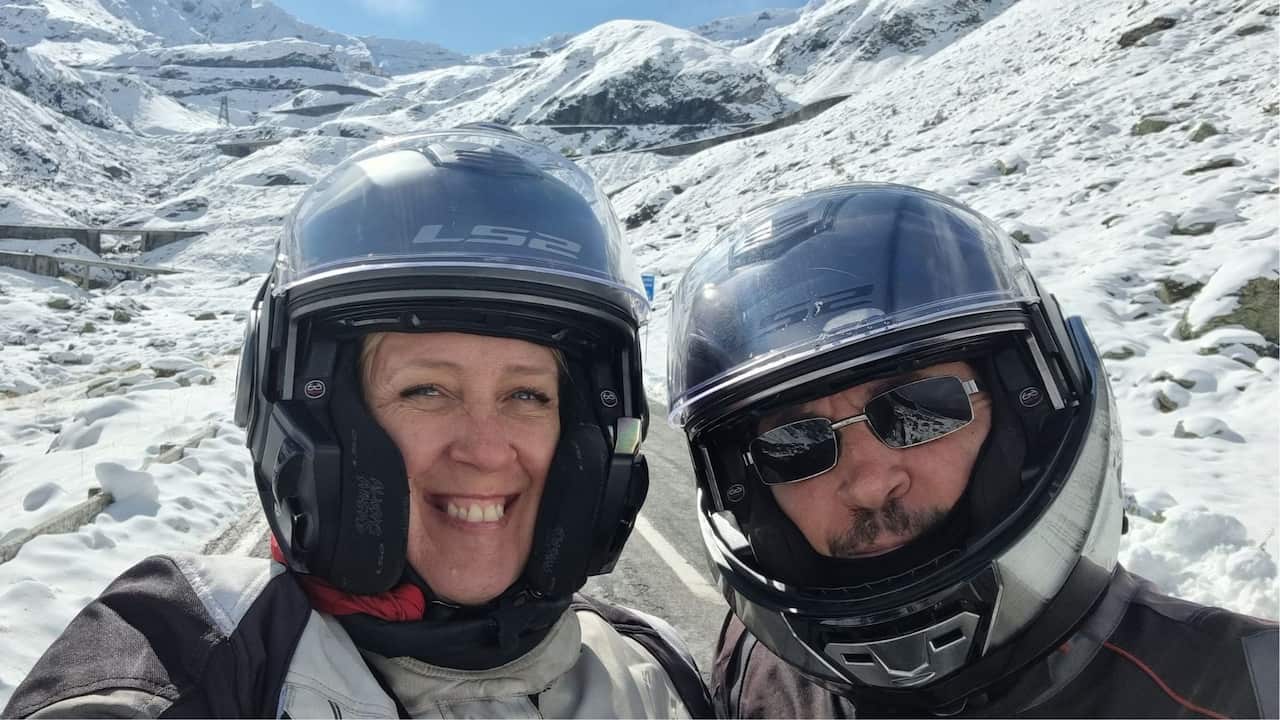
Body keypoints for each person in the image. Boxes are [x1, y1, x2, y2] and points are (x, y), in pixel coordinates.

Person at [5, 125, 712, 718]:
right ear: (315, 423)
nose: (486, 451)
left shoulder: (656, 676)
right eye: (426, 390)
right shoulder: (186, 654)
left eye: (527, 396)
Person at [665, 183, 1278, 718]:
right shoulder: (757, 675)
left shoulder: (1241, 688)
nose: (869, 483)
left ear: (1027, 408)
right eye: (794, 445)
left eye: (921, 408)